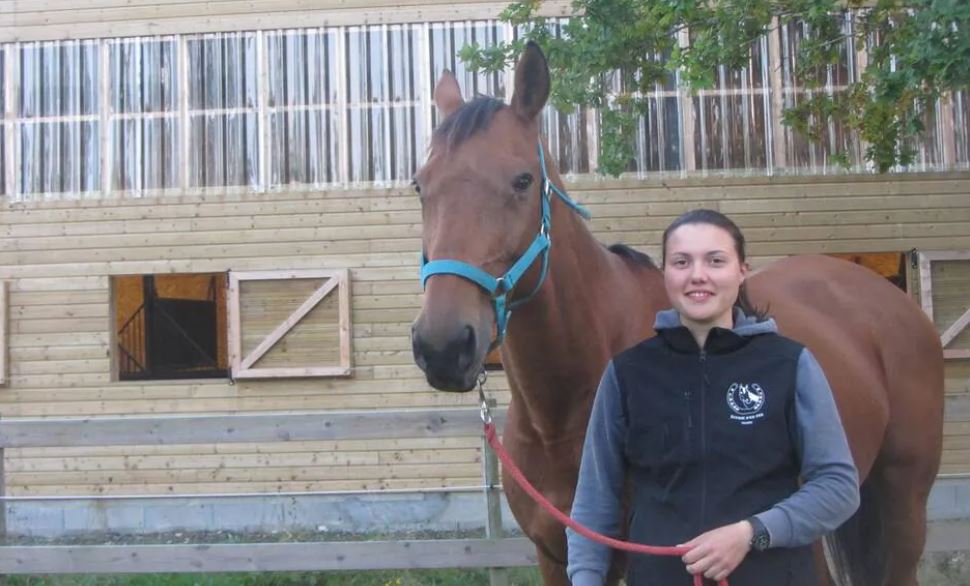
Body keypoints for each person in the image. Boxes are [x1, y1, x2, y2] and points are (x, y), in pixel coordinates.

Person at [566, 209, 860, 585]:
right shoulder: (627, 374)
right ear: (666, 274)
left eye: (715, 260)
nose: (697, 275)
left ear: (742, 271)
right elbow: (594, 502)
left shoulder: (790, 364)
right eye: (681, 262)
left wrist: (751, 533)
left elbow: (837, 486)